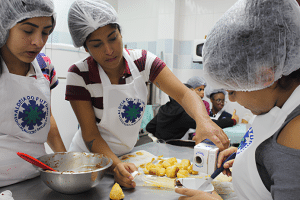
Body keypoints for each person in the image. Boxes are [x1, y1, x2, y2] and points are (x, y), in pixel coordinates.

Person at [66, 0, 229, 189]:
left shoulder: (142, 62)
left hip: (128, 157)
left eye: (113, 38)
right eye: (97, 45)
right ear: (86, 48)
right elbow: (91, 134)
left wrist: (203, 121)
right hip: (89, 162)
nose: (109, 50)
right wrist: (116, 165)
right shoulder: (79, 75)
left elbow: (184, 94)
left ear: (120, 32)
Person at [175, 0, 300, 199]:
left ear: (266, 77)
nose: (231, 99)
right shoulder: (278, 104)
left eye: (233, 91)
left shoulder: (295, 136)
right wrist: (248, 159)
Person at [0, 0, 67, 187]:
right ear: (4, 25)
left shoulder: (45, 66)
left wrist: (65, 161)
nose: (38, 42)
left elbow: (47, 118)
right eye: (28, 31)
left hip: (36, 176)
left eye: (46, 32)